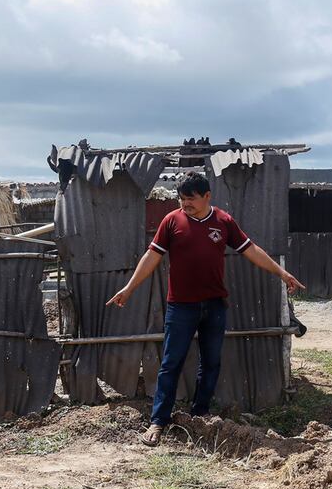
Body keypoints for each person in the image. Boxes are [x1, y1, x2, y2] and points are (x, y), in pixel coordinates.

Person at [106, 171, 305, 446]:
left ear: (207, 196)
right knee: (170, 363)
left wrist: (282, 273)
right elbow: (152, 256)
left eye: (190, 199)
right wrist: (129, 288)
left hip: (214, 306)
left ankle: (199, 414)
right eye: (181, 199)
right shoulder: (171, 221)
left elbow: (251, 250)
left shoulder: (223, 222)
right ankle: (158, 421)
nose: (184, 204)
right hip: (180, 307)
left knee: (211, 363)